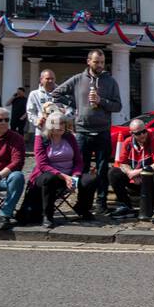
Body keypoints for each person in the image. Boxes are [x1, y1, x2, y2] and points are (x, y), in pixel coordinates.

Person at [51, 50, 122, 210]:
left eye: (102, 62)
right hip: (82, 131)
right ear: (89, 61)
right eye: (97, 62)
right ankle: (83, 202)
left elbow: (118, 106)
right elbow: (56, 93)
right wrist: (76, 103)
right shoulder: (78, 79)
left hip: (103, 130)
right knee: (81, 169)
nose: (100, 65)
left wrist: (101, 101)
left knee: (102, 169)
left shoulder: (110, 81)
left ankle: (101, 202)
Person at [27, 112, 99, 228]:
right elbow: (42, 165)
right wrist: (64, 177)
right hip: (49, 175)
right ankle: (47, 216)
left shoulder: (69, 137)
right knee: (49, 179)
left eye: (63, 123)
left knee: (90, 180)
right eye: (57, 124)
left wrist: (75, 176)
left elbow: (78, 161)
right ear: (50, 125)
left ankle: (82, 208)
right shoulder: (41, 138)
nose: (61, 126)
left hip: (70, 174)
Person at [109, 118, 154, 223]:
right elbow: (122, 163)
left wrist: (136, 173)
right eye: (138, 133)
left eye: (144, 131)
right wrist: (129, 173)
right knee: (113, 172)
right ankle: (126, 206)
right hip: (137, 181)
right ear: (132, 133)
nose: (142, 135)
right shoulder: (128, 142)